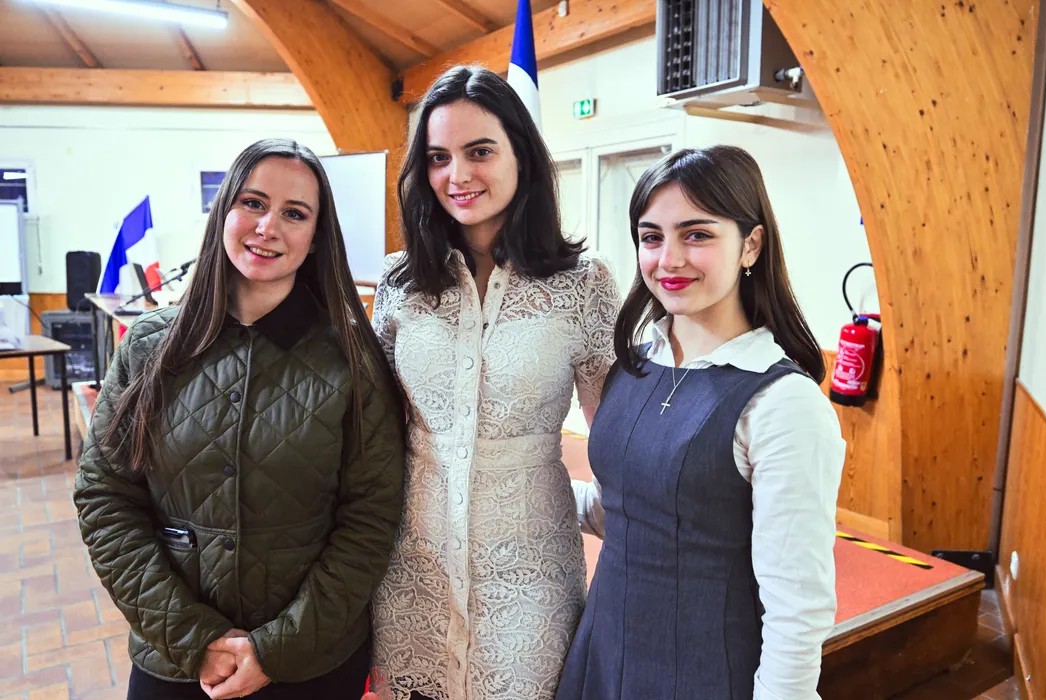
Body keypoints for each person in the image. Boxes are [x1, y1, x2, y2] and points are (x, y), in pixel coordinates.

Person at [74, 138, 405, 700]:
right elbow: (105, 498)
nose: (267, 227)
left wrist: (278, 648)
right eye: (253, 203)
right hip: (174, 659)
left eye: (294, 213)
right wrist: (194, 637)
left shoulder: (352, 360)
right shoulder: (149, 347)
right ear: (224, 211)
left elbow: (371, 518)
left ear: (316, 236)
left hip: (312, 662)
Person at [367, 65, 620, 700]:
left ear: (521, 155)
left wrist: (606, 516)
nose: (457, 174)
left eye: (479, 151)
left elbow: (621, 442)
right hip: (412, 572)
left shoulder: (583, 283)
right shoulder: (399, 281)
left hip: (531, 576)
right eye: (438, 157)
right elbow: (371, 427)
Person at [559, 146, 846, 700]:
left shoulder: (782, 402)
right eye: (651, 237)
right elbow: (622, 511)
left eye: (696, 235)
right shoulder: (634, 365)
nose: (669, 259)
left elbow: (797, 606)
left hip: (703, 670)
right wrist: (515, 484)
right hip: (604, 647)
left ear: (751, 245)